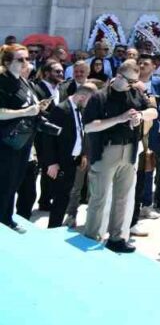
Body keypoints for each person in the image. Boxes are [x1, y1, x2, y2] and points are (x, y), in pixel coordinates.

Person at [82, 60, 155, 252]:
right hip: (106, 150)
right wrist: (118, 119)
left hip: (129, 149)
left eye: (135, 82)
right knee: (99, 197)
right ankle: (91, 236)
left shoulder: (135, 93)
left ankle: (116, 238)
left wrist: (140, 115)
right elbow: (88, 126)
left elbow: (153, 111)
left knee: (123, 197)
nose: (133, 85)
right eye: (130, 81)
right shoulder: (100, 96)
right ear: (119, 76)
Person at [0, 43, 51, 232]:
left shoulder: (23, 81)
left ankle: (6, 219)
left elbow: (30, 105)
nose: (25, 62)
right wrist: (25, 112)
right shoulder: (3, 81)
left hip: (23, 141)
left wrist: (38, 108)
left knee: (14, 182)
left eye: (27, 58)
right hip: (6, 142)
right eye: (20, 59)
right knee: (4, 183)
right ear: (7, 62)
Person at [39, 81, 96, 229]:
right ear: (82, 97)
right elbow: (48, 137)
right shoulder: (61, 109)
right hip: (60, 161)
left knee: (65, 197)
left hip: (73, 160)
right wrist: (51, 162)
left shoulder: (79, 109)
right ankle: (53, 228)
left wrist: (82, 154)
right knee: (59, 199)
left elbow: (80, 133)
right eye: (90, 101)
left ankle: (56, 226)